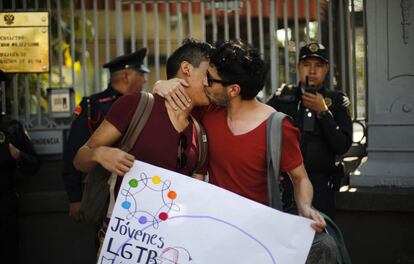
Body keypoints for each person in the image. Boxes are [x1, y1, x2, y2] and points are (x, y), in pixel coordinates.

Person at [155, 40, 326, 232]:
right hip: (213, 228)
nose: (204, 83)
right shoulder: (208, 111)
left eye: (210, 79)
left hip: (257, 234)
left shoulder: (277, 126)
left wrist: (305, 207)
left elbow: (300, 178)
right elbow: (168, 108)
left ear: (233, 90)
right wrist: (161, 85)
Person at [73, 39, 212, 235]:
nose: (210, 83)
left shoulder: (200, 132)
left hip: (170, 244)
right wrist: (99, 154)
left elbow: (194, 196)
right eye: (207, 75)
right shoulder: (136, 104)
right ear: (187, 69)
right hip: (122, 240)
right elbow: (80, 159)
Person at [266, 42, 353, 218]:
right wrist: (270, 169)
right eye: (306, 65)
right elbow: (260, 131)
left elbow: (342, 145)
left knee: (319, 236)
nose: (312, 71)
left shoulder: (336, 101)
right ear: (298, 67)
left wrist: (323, 112)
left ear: (327, 68)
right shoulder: (283, 97)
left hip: (321, 184)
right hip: (286, 182)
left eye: (318, 65)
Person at [62, 48, 149, 221]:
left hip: (138, 189)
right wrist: (75, 197)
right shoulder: (92, 106)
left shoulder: (144, 104)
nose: (145, 80)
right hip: (103, 190)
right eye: (141, 74)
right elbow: (75, 150)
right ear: (126, 76)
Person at [0, 70, 41, 264]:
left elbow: (34, 165)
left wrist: (17, 155)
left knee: (7, 259)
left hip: (4, 206)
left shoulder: (10, 127)